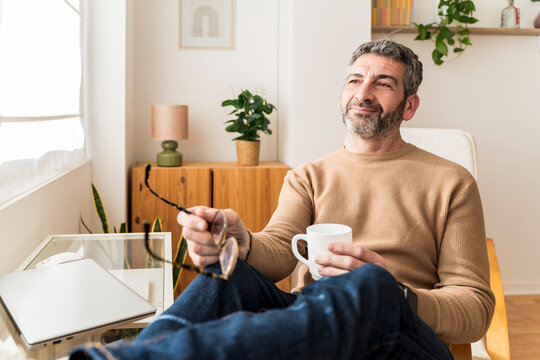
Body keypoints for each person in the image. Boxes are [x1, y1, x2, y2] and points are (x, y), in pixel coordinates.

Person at [70, 39, 494, 360]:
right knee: (228, 274)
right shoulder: (309, 176)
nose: (363, 92)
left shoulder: (451, 181)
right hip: (316, 324)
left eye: (383, 83)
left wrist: (399, 293)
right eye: (354, 79)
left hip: (403, 336)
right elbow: (278, 253)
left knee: (370, 283)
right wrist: (243, 242)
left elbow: (475, 308)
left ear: (410, 105)